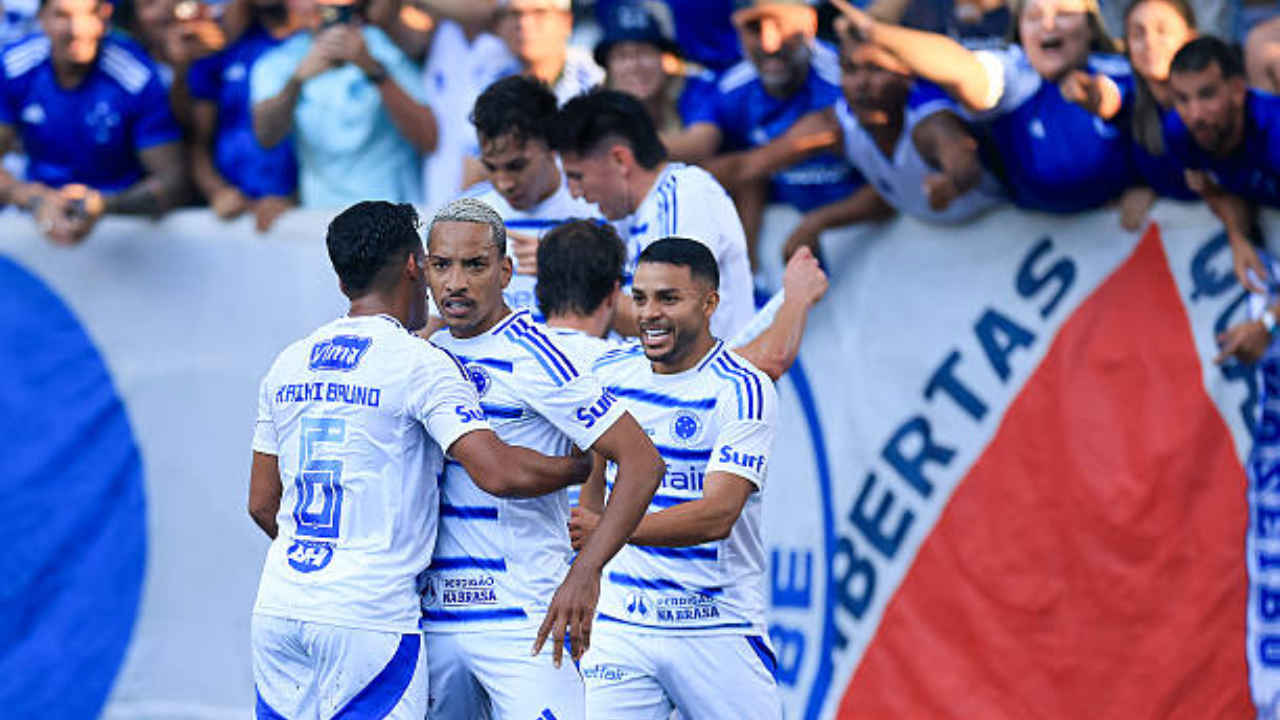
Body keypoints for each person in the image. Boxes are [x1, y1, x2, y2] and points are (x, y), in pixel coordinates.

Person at [247, 200, 597, 719]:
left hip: (280, 605)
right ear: (416, 265)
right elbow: (497, 471)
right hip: (370, 614)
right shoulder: (419, 362)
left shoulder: (288, 361)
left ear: (343, 282)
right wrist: (577, 468)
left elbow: (260, 503)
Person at [420, 198, 665, 720]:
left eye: (475, 265)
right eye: (442, 265)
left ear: (506, 271)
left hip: (525, 619)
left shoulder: (538, 354)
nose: (456, 282)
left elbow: (642, 462)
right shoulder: (419, 353)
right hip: (431, 619)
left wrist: (586, 571)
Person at [570, 238, 783, 720]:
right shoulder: (608, 371)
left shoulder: (743, 389)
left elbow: (717, 515)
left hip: (715, 626)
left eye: (669, 299)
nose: (649, 313)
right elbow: (595, 466)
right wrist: (591, 560)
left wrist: (606, 531)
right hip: (623, 628)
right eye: (639, 297)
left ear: (710, 304)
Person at [833, 0, 1137, 214]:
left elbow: (1113, 99)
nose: (1047, 25)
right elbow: (966, 73)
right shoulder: (1014, 71)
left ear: (1091, 26)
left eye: (1064, 12)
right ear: (1019, 31)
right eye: (1033, 16)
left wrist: (1097, 99)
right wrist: (878, 34)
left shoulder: (1120, 70)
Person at [775, 18, 1004, 258]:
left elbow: (963, 163)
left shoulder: (930, 121)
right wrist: (816, 221)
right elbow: (892, 190)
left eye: (875, 68)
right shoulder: (836, 122)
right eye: (849, 68)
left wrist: (952, 183)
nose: (861, 83)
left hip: (1008, 238)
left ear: (907, 74)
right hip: (935, 250)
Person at [552, 88, 755, 342]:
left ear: (619, 160)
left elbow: (670, 321)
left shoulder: (686, 194)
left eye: (577, 176)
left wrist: (574, 276)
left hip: (701, 380)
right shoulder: (630, 213)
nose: (574, 193)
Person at [672, 0, 865, 249]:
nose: (768, 43)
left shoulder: (847, 83)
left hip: (880, 243)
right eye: (754, 28)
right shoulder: (731, 91)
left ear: (810, 23)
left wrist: (818, 222)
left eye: (780, 25)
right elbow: (732, 172)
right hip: (782, 243)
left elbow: (893, 182)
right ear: (737, 31)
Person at [0, 0, 186, 245]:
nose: (77, 29)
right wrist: (34, 199)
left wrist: (105, 205)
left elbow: (173, 182)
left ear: (104, 15)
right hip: (37, 212)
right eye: (62, 16)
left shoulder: (135, 77)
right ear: (41, 18)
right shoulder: (15, 66)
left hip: (123, 229)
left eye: (88, 14)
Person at [251, 0, 435, 207]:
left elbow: (428, 138)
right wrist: (296, 82)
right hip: (323, 216)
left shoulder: (384, 46)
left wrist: (372, 68)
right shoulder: (278, 61)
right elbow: (266, 137)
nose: (316, 6)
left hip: (394, 213)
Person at [1059, 0, 1203, 232]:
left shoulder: (1221, 105)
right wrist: (1087, 94)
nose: (1149, 42)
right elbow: (1107, 99)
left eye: (1162, 30)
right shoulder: (1133, 107)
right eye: (1137, 34)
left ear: (1191, 38)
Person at [466, 74, 596, 319]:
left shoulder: (600, 208)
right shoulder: (464, 217)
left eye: (517, 166)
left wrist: (567, 269)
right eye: (491, 168)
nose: (504, 183)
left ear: (551, 146)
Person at [1165, 36, 1280, 291]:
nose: (1195, 115)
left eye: (1207, 95)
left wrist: (1269, 321)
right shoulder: (1179, 131)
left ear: (1238, 91)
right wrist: (1237, 235)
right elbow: (1211, 190)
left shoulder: (1274, 135)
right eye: (1182, 99)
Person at [188, 0, 301, 231]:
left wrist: (295, 199)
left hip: (301, 211)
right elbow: (196, 141)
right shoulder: (222, 53)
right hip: (234, 215)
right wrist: (217, 191)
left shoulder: (308, 46)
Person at [492, 0, 602, 104]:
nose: (524, 23)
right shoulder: (480, 80)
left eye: (539, 13)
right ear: (499, 25)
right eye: (515, 14)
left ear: (566, 22)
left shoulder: (598, 82)